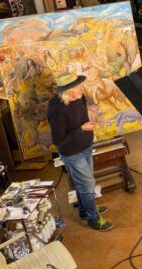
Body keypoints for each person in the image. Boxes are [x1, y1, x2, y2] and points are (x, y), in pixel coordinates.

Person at [47, 73, 113, 231]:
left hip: (85, 146)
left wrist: (90, 114)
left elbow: (80, 114)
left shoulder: (79, 97)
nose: (82, 88)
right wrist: (82, 128)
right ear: (68, 90)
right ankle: (93, 219)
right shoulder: (57, 109)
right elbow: (58, 140)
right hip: (72, 153)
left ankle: (85, 211)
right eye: (78, 86)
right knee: (88, 186)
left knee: (83, 184)